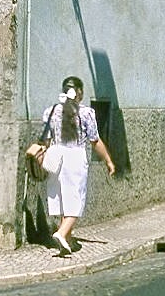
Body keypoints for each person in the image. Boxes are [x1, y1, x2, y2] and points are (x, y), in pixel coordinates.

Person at [41, 75, 116, 255]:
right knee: (75, 199)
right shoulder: (86, 113)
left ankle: (67, 239)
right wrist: (108, 161)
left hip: (55, 155)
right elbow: (95, 140)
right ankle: (61, 233)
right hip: (74, 156)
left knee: (61, 197)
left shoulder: (50, 111)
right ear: (79, 93)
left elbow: (46, 139)